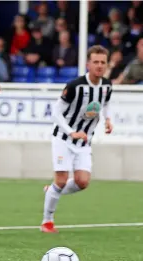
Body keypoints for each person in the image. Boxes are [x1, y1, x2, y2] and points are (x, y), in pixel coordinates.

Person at [41, 45, 113, 233]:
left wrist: (108, 120)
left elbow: (105, 105)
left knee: (82, 182)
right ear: (88, 64)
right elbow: (56, 112)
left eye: (103, 62)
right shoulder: (75, 85)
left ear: (107, 65)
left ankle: (52, 191)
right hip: (63, 138)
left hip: (84, 141)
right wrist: (71, 131)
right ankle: (47, 221)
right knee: (62, 179)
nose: (99, 66)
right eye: (95, 62)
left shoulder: (107, 86)